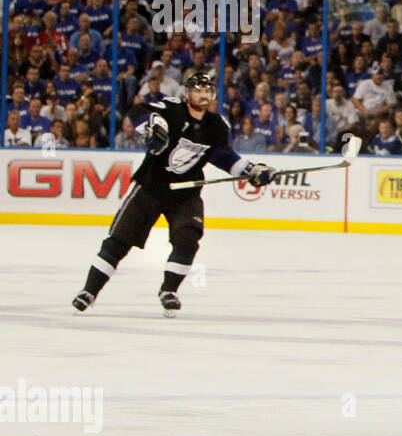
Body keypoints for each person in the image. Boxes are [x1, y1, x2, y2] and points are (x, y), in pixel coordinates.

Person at [71, 71, 276, 317]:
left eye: (207, 90)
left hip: (185, 193)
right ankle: (89, 291)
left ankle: (169, 290)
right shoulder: (171, 109)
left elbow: (222, 156)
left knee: (188, 239)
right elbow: (137, 111)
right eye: (197, 89)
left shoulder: (216, 125)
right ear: (187, 93)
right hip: (151, 187)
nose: (203, 94)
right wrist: (154, 126)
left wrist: (251, 170)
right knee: (118, 242)